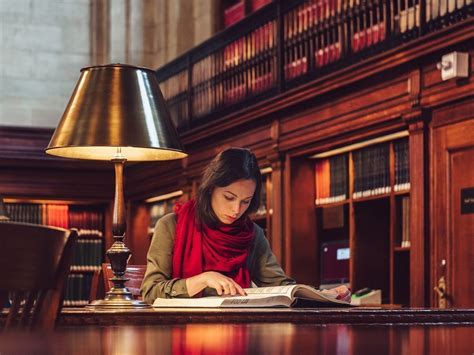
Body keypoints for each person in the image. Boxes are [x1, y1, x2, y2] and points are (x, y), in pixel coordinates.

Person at [140, 147, 351, 304]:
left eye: (245, 201)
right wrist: (203, 279)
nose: (236, 210)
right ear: (210, 189)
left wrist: (324, 295)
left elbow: (280, 285)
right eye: (229, 197)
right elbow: (150, 292)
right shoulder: (171, 226)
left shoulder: (251, 234)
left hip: (237, 330)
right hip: (178, 332)